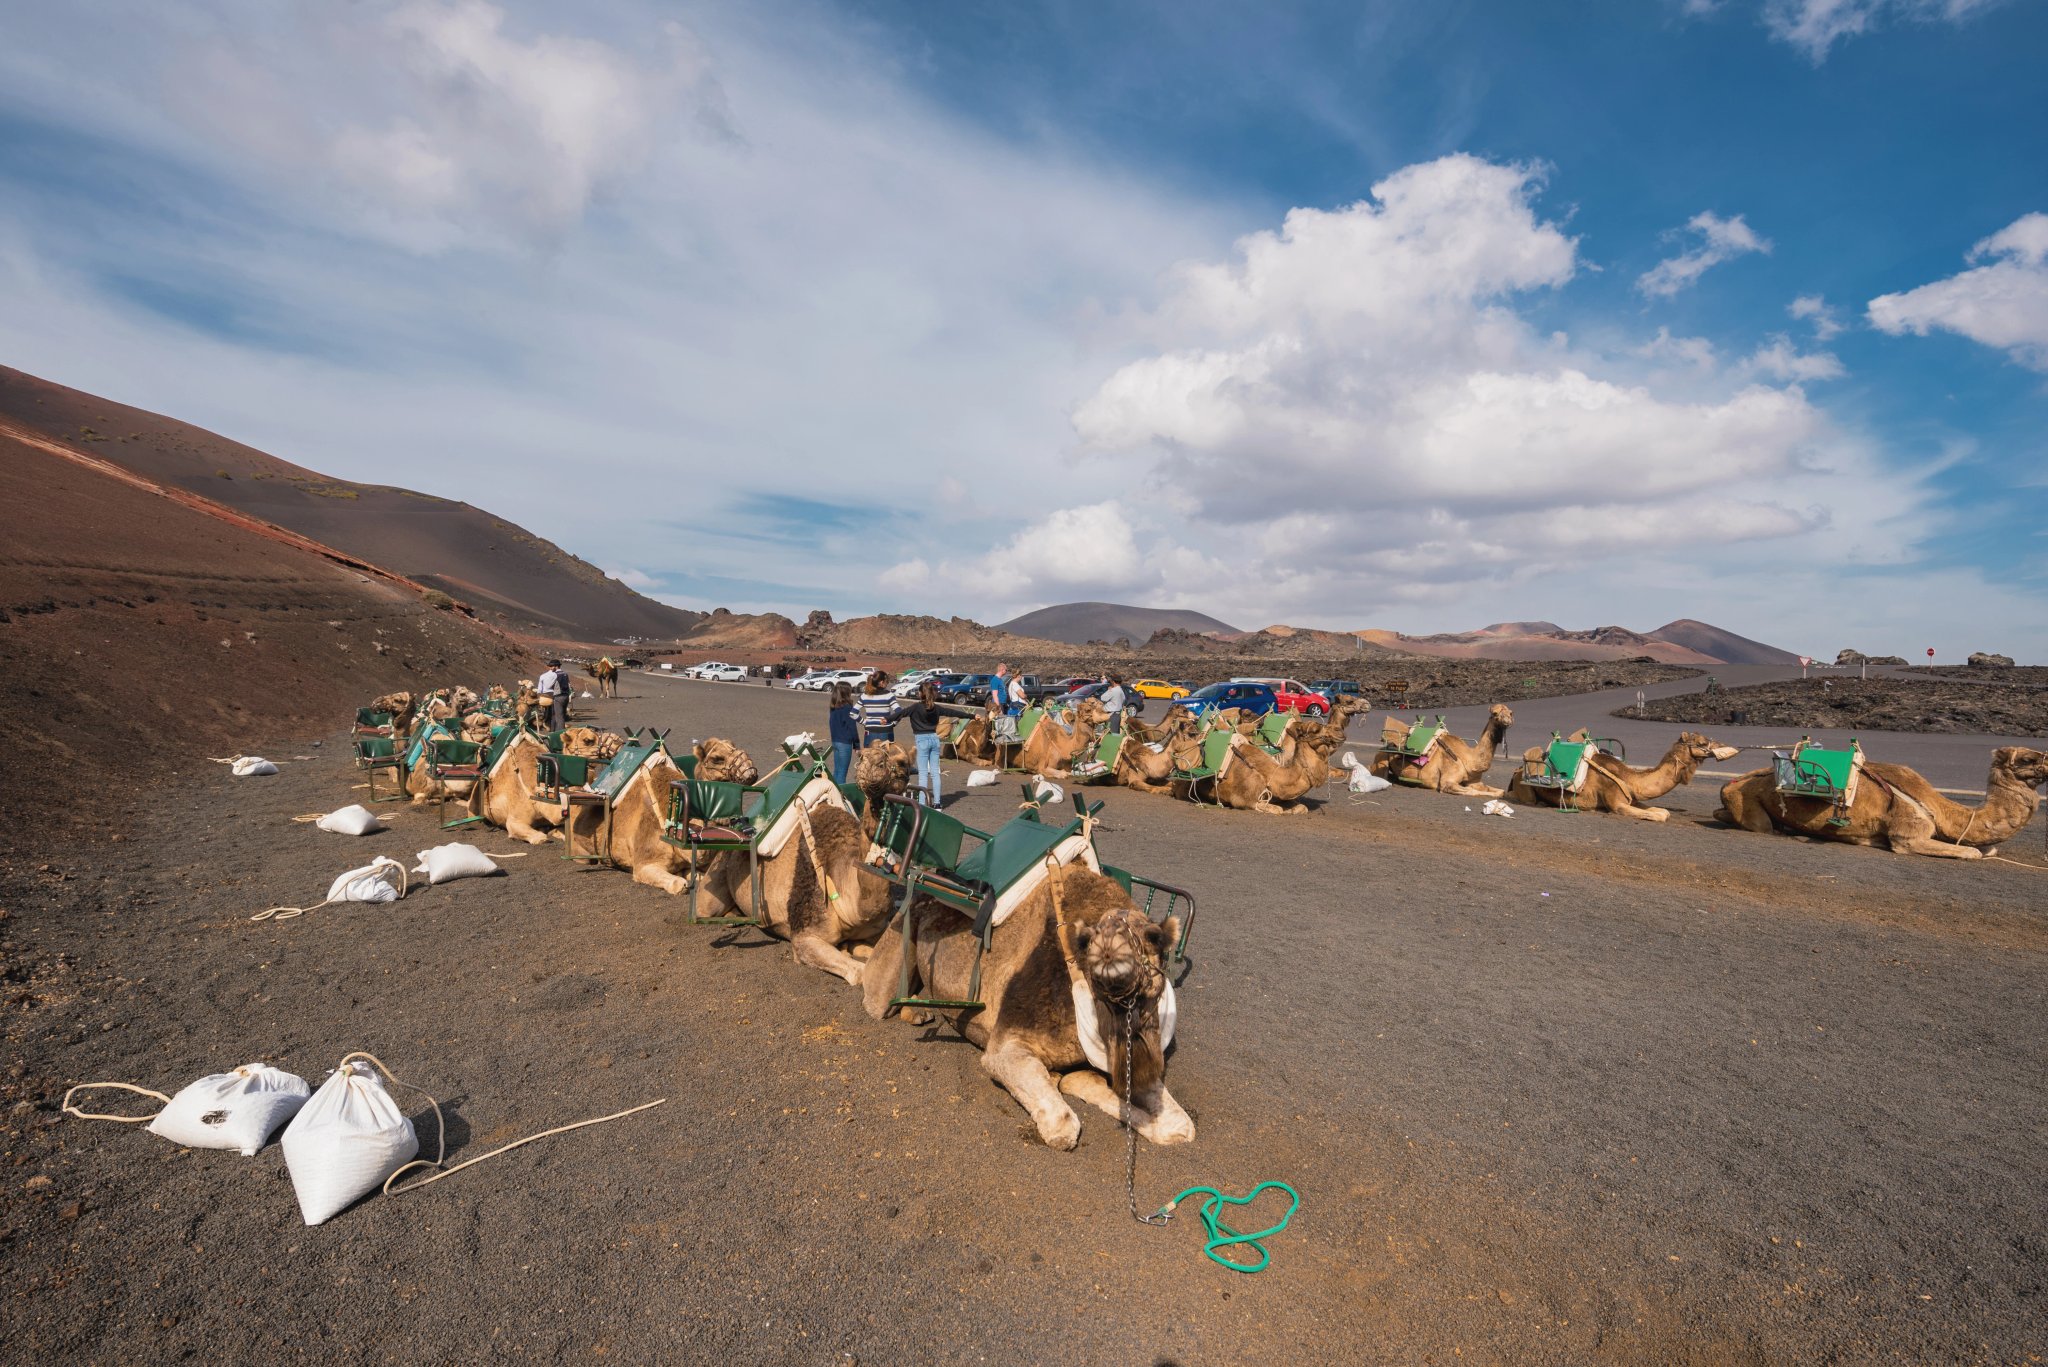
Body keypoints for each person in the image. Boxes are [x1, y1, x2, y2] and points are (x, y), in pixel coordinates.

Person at [898, 679, 947, 806]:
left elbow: (900, 714)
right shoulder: (936, 708)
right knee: (935, 773)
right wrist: (973, 716)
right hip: (935, 739)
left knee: (923, 774)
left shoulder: (915, 707)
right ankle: (937, 803)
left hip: (922, 740)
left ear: (921, 693)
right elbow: (953, 712)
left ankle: (922, 803)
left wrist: (885, 719)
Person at [826, 683, 859, 783]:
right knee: (842, 773)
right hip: (844, 743)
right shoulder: (848, 708)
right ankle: (839, 796)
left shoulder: (833, 707)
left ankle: (832, 793)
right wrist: (857, 745)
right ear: (846, 693)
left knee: (836, 771)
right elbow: (852, 727)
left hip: (835, 742)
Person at [860, 670, 896, 747]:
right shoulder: (889, 695)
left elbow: (852, 713)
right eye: (887, 681)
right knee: (885, 756)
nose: (888, 683)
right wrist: (893, 723)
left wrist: (864, 722)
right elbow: (900, 712)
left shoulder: (865, 695)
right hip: (886, 731)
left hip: (870, 731)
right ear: (881, 682)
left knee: (870, 756)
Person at [537, 659, 569, 730]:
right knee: (563, 715)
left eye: (551, 666)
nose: (550, 668)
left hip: (558, 696)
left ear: (556, 666)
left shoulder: (555, 675)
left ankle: (559, 733)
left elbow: (548, 686)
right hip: (566, 696)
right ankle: (555, 729)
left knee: (558, 717)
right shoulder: (565, 674)